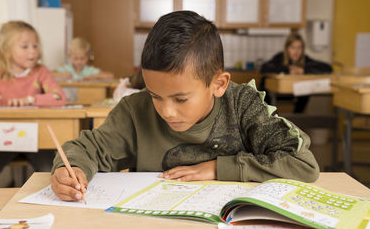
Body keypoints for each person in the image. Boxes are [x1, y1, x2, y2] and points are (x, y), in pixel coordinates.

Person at [50, 11, 319, 202]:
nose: (166, 111)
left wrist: (217, 168)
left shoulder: (242, 105)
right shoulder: (134, 111)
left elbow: (302, 163)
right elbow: (85, 149)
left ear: (219, 84)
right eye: (155, 95)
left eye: (180, 99)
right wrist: (69, 170)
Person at [0, 20, 66, 188]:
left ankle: (49, 211)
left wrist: (31, 100)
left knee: (49, 170)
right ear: (6, 50)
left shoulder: (40, 72)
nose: (32, 51)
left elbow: (59, 97)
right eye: (25, 46)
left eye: (35, 46)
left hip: (38, 139)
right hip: (4, 139)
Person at [260, 33, 332, 113]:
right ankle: (270, 116)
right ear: (287, 48)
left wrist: (302, 70)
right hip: (279, 93)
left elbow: (328, 68)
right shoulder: (280, 57)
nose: (296, 51)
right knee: (263, 81)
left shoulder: (305, 60)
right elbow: (264, 68)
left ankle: (297, 117)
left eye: (299, 48)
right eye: (293, 47)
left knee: (306, 86)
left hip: (298, 93)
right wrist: (288, 70)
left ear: (303, 49)